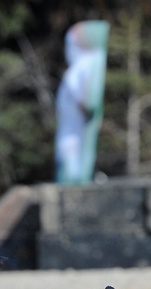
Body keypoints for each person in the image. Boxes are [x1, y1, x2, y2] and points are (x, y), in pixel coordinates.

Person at [55, 20, 109, 185]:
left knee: (73, 172)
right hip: (67, 133)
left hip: (76, 136)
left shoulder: (90, 62)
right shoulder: (79, 67)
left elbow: (89, 103)